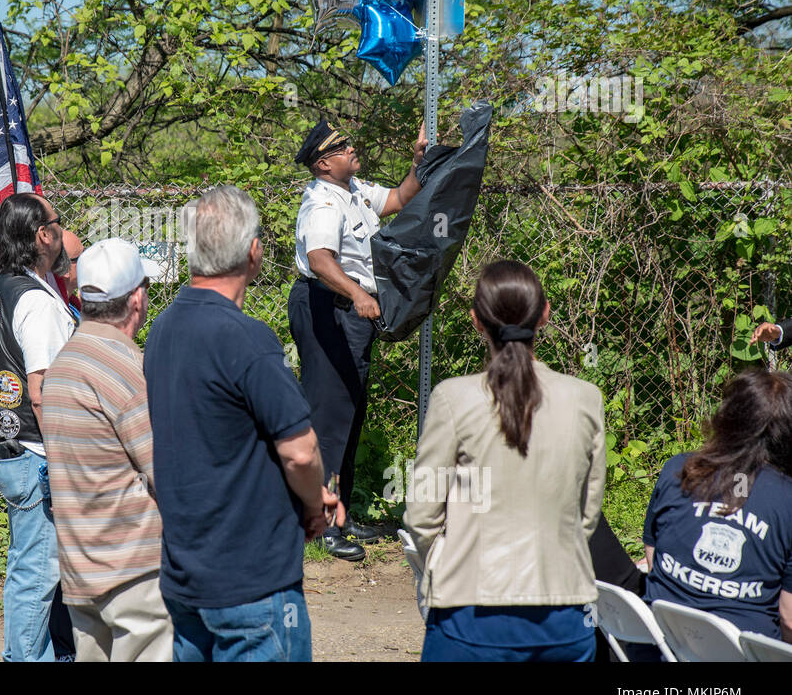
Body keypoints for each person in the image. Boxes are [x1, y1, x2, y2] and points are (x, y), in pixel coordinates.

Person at [145, 185, 337, 662]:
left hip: (185, 575)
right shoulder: (247, 339)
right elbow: (300, 450)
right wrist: (317, 503)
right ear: (253, 253)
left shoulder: (162, 329)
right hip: (252, 583)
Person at [404, 260, 605, 662]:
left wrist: (448, 566)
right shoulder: (586, 398)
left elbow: (422, 517)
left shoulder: (451, 398)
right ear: (545, 314)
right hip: (565, 614)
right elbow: (586, 516)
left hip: (470, 614)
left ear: (477, 320)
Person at [288, 116, 428, 561]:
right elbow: (319, 258)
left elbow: (398, 199)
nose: (352, 149)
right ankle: (321, 523)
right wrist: (356, 294)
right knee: (329, 419)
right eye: (342, 147)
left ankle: (340, 513)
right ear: (324, 164)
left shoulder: (351, 190)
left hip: (351, 310)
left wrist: (418, 164)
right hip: (329, 308)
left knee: (349, 412)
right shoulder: (324, 204)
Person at [40, 238, 172, 661]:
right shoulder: (125, 367)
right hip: (134, 571)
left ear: (82, 296)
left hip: (81, 569)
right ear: (137, 299)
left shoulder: (64, 364)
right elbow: (165, 471)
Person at [0, 192, 79, 661]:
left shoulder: (6, 286)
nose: (64, 232)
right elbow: (42, 390)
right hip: (39, 453)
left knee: (43, 569)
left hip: (13, 447)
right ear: (43, 235)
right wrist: (64, 465)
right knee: (37, 575)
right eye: (58, 224)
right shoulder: (38, 304)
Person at [641, 369, 792, 641]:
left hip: (665, 641)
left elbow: (653, 557)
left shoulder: (677, 468)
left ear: (727, 417)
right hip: (743, 651)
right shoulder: (786, 498)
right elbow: (789, 618)